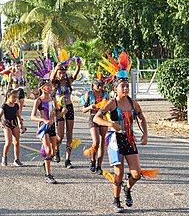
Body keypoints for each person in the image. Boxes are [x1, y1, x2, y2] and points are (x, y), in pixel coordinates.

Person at [93, 49, 148, 213]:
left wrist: (145, 133)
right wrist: (111, 125)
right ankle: (116, 201)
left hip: (130, 139)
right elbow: (97, 118)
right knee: (118, 173)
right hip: (115, 141)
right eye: (122, 86)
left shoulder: (133, 103)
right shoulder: (111, 103)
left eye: (127, 86)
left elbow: (141, 118)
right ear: (116, 88)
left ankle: (127, 188)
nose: (125, 89)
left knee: (136, 173)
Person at [31, 80, 66, 184]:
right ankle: (48, 175)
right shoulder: (38, 101)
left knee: (53, 152)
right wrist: (43, 120)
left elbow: (57, 115)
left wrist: (63, 112)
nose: (51, 88)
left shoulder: (53, 99)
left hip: (52, 127)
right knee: (48, 150)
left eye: (51, 86)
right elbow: (32, 116)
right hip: (43, 127)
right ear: (43, 88)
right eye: (48, 86)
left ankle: (46, 164)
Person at [50, 59, 81, 168]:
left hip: (69, 107)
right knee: (60, 136)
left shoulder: (68, 81)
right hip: (59, 109)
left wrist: (78, 65)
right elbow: (51, 78)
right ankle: (56, 148)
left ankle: (68, 160)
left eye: (64, 73)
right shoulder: (55, 83)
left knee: (69, 134)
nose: (62, 75)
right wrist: (56, 68)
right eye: (60, 73)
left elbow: (75, 75)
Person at [81, 75, 108, 174]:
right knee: (96, 142)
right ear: (93, 84)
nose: (100, 87)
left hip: (103, 117)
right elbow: (83, 109)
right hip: (93, 117)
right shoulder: (89, 94)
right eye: (98, 85)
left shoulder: (105, 94)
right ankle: (93, 160)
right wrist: (89, 107)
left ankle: (99, 166)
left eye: (102, 85)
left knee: (102, 141)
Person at [0, 89, 25, 167]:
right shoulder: (4, 106)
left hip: (15, 124)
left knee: (16, 142)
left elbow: (18, 115)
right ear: (8, 97)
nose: (15, 99)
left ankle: (17, 159)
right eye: (13, 97)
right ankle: (4, 157)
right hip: (7, 125)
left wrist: (21, 124)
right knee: (8, 142)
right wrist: (0, 123)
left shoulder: (16, 105)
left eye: (16, 97)